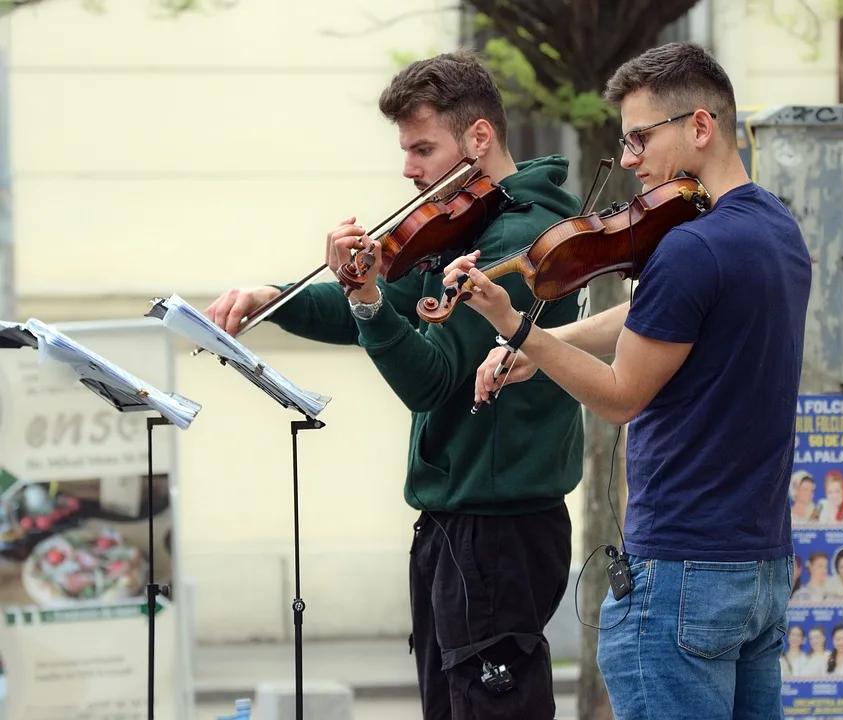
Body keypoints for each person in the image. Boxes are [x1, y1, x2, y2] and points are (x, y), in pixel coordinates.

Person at [204, 51, 585, 720]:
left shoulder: (517, 241)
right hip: (457, 522)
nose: (408, 168)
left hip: (497, 529)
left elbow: (434, 382)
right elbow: (383, 305)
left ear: (478, 139)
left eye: (422, 148)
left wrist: (368, 299)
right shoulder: (459, 229)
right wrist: (276, 296)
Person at [439, 41, 812, 718]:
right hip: (760, 567)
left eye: (640, 138)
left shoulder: (689, 250)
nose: (631, 159)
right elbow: (649, 314)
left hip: (680, 571)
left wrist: (521, 329)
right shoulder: (777, 230)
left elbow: (619, 396)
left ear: (701, 126)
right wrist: (541, 350)